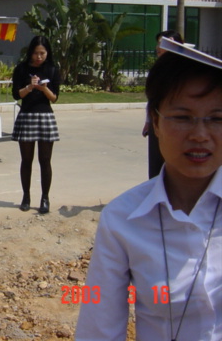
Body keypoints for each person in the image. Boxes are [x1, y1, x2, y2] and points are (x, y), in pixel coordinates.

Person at [75, 42, 222, 340]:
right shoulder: (121, 220)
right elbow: (99, 327)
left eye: (217, 119)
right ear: (155, 122)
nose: (200, 135)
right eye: (182, 118)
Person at [11, 36, 60, 214]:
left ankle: (45, 198)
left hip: (45, 116)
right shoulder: (21, 69)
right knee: (26, 160)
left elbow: (54, 98)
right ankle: (26, 196)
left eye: (42, 53)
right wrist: (30, 87)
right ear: (30, 52)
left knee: (45, 160)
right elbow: (16, 95)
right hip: (27, 115)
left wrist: (43, 88)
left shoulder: (53, 69)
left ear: (47, 53)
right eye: (36, 53)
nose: (39, 57)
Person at [143, 29, 184, 179]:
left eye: (165, 44)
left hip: (176, 124)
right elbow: (152, 98)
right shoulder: (157, 70)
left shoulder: (185, 70)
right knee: (156, 164)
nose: (159, 47)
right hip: (158, 121)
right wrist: (148, 121)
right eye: (159, 43)